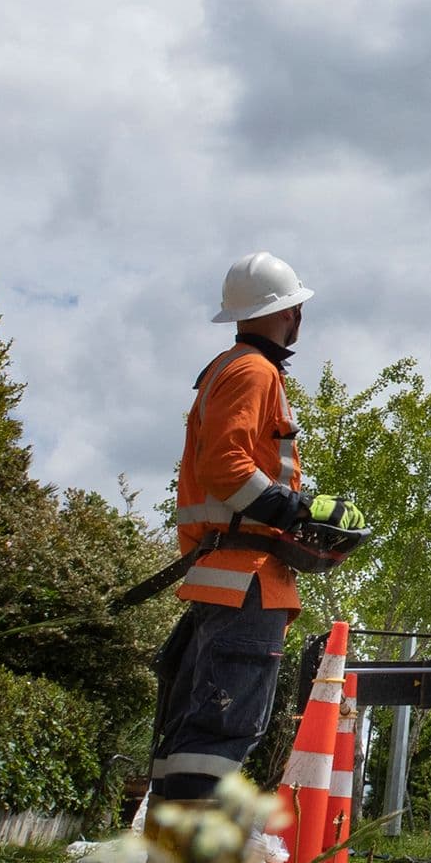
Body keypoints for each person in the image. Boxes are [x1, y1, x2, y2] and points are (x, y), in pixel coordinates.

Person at [150, 253, 366, 808]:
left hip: (225, 575)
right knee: (222, 734)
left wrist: (292, 509)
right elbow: (227, 467)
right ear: (290, 313)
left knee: (193, 740)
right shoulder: (253, 371)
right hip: (244, 578)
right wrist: (295, 510)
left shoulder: (232, 368)